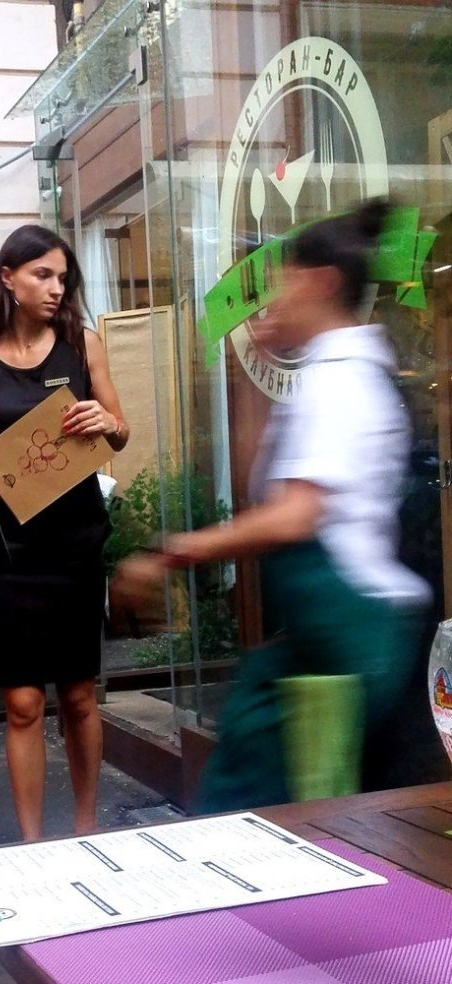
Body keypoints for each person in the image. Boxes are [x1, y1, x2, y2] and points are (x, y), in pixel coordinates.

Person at [113, 199, 430, 813]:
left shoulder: (341, 380)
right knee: (294, 803)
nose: (273, 299)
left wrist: (168, 554)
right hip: (332, 642)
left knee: (282, 806)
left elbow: (293, 516)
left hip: (349, 641)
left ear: (321, 282)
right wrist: (246, 376)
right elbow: (262, 491)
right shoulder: (330, 374)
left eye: (283, 281)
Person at [0, 224, 129, 840]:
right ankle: (32, 843)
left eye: (63, 278)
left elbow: (120, 430)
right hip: (8, 549)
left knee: (78, 695)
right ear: (8, 278)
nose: (56, 288)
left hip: (75, 544)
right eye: (42, 275)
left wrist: (107, 422)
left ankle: (85, 826)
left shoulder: (83, 346)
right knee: (22, 703)